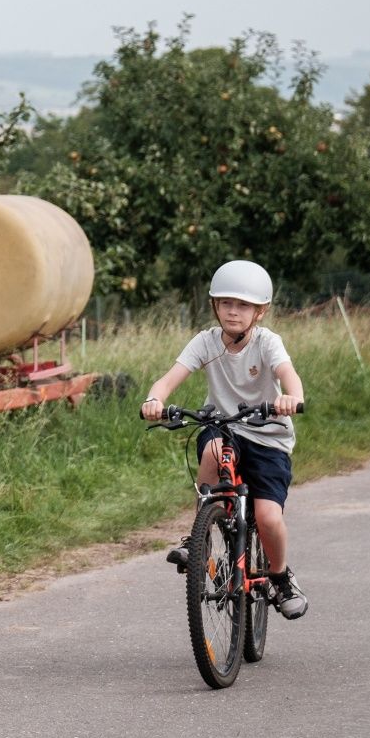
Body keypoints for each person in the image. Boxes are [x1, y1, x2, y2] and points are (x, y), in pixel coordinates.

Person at [140, 258, 309, 620]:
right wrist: (155, 400)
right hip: (224, 426)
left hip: (267, 436)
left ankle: (279, 577)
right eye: (226, 303)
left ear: (259, 312)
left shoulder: (266, 343)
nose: (234, 312)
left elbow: (287, 374)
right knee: (213, 449)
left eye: (243, 305)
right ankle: (198, 541)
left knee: (266, 517)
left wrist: (291, 397)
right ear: (215, 306)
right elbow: (170, 378)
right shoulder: (206, 342)